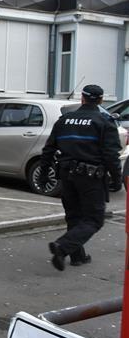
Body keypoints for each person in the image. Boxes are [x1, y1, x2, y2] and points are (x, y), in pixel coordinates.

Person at [39, 84, 122, 270]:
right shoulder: (104, 121)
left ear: (82, 98)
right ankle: (63, 247)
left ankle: (77, 256)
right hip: (90, 177)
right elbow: (111, 155)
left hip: (66, 175)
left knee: (74, 216)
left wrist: (44, 174)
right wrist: (117, 179)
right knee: (94, 219)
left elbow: (48, 149)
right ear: (101, 100)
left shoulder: (64, 120)